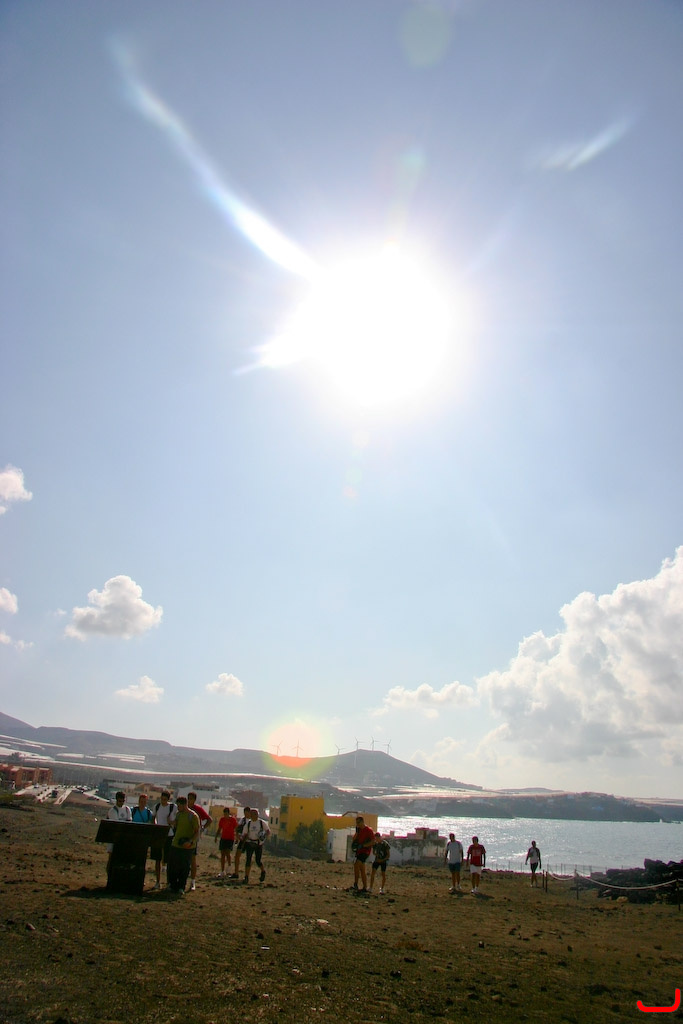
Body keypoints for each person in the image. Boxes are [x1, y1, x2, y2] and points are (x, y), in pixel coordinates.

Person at [167, 796, 199, 895]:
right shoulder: (179, 814)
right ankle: (172, 885)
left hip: (187, 846)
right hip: (176, 843)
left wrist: (190, 841)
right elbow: (176, 824)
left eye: (179, 806)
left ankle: (181, 887)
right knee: (173, 865)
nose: (178, 808)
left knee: (184, 867)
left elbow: (197, 832)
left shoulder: (193, 816)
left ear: (184, 805)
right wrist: (170, 822)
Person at [186, 792, 212, 891]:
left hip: (194, 837)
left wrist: (202, 828)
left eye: (191, 799)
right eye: (188, 798)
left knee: (192, 858)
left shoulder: (198, 809)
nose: (189, 800)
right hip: (184, 835)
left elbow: (209, 819)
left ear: (194, 800)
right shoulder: (185, 809)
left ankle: (193, 881)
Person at [152, 791, 177, 890]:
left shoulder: (172, 807)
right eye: (162, 799)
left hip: (169, 834)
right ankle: (158, 882)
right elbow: (153, 818)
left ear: (168, 799)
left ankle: (168, 882)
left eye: (165, 800)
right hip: (159, 834)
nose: (163, 801)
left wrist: (170, 822)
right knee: (157, 859)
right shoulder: (157, 806)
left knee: (168, 859)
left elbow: (176, 820)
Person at [105, 791, 132, 877]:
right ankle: (109, 876)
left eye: (123, 801)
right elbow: (116, 825)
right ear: (116, 800)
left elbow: (129, 823)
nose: (121, 803)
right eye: (120, 801)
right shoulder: (113, 811)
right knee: (111, 858)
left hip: (123, 839)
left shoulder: (127, 809)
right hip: (114, 838)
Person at [241, 808, 270, 884]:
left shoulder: (261, 822)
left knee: (258, 860)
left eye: (256, 814)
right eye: (254, 814)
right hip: (250, 843)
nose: (255, 815)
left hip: (258, 844)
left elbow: (268, 831)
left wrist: (263, 836)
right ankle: (246, 877)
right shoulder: (248, 824)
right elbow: (244, 834)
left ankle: (263, 871)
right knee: (248, 860)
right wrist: (242, 841)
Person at [351, 816, 375, 893]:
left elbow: (373, 841)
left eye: (358, 822)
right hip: (359, 851)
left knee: (356, 864)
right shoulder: (359, 830)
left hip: (365, 851)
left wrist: (364, 845)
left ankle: (356, 884)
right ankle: (365, 887)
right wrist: (357, 832)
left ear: (362, 822)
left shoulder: (369, 830)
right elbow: (354, 839)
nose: (357, 824)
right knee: (362, 869)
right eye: (356, 823)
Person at [214, 807, 238, 876]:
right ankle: (222, 870)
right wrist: (216, 837)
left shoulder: (233, 820)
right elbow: (219, 828)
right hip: (223, 838)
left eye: (226, 814)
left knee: (228, 852)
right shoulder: (222, 819)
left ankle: (229, 866)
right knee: (222, 854)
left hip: (230, 838)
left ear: (228, 813)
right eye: (224, 814)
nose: (225, 815)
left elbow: (236, 829)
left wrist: (237, 838)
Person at [231, 806, 251, 879]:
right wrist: (237, 837)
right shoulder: (243, 820)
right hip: (242, 840)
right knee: (237, 856)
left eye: (246, 813)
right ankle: (236, 873)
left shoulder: (251, 821)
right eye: (244, 813)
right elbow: (237, 828)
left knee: (248, 858)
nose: (245, 814)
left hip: (249, 841)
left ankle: (246, 875)